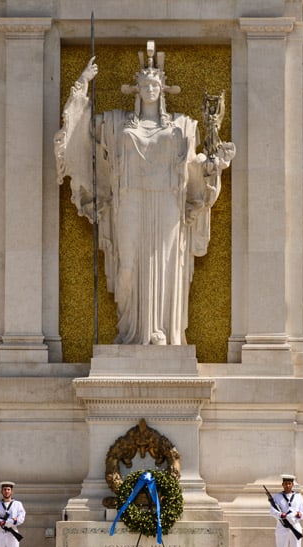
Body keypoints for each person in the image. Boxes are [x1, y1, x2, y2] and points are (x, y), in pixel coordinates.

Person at [54, 42, 235, 345]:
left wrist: (213, 166)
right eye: (145, 84)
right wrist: (81, 85)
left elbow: (193, 167)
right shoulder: (115, 123)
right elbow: (78, 133)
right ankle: (130, 331)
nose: (150, 88)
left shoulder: (182, 126)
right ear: (137, 89)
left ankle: (161, 331)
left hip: (167, 202)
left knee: (165, 265)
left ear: (163, 89)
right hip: (130, 200)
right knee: (127, 265)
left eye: (155, 84)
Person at [269, 474, 303, 547]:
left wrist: (299, 514)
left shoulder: (298, 497)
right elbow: (272, 511)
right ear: (282, 484)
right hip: (282, 527)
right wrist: (281, 514)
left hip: (295, 526)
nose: (287, 485)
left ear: (292, 484)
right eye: (285, 483)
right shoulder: (277, 497)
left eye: (289, 483)